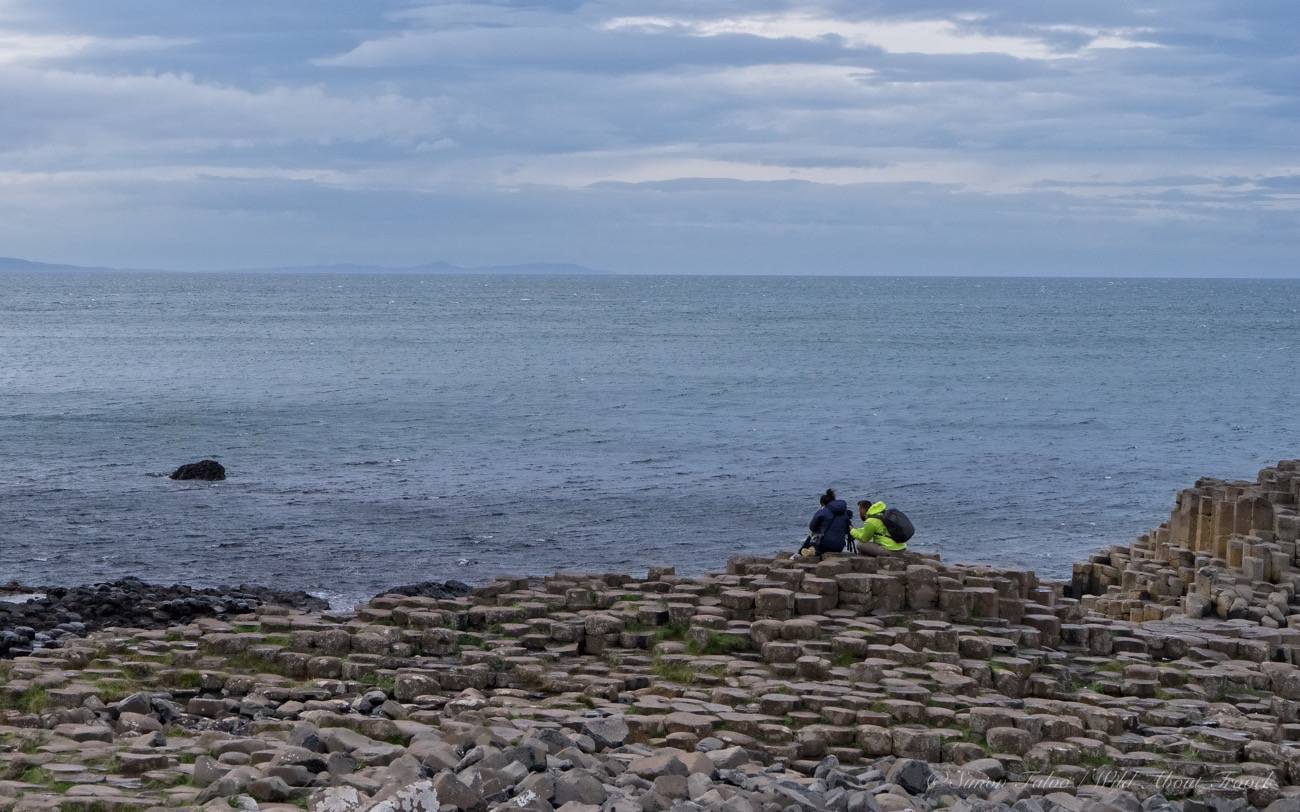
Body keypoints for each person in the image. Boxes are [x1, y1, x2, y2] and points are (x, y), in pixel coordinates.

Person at [800, 488, 851, 556]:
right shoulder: (844, 512)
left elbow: (812, 527)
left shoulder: (822, 512)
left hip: (825, 545)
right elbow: (848, 530)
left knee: (813, 533)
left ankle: (804, 552)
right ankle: (812, 551)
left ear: (823, 504)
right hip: (839, 546)